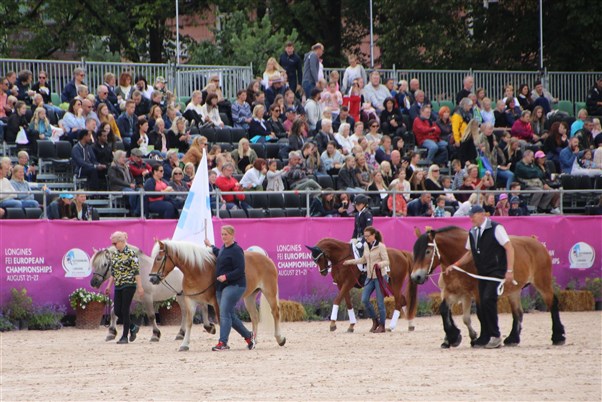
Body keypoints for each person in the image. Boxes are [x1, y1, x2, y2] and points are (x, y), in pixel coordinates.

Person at [446, 205, 515, 349]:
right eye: (470, 216)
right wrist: (456, 264)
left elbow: (509, 247)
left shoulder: (496, 228)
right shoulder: (472, 232)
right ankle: (486, 335)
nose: (471, 218)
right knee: (481, 304)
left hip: (496, 271)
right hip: (482, 273)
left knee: (488, 299)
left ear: (482, 214)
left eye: (473, 215)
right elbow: (470, 253)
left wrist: (509, 270)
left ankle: (495, 335)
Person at [204, 226, 256, 351]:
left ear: (232, 235)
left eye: (226, 234)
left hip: (235, 286)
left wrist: (226, 276)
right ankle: (249, 337)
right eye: (222, 234)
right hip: (221, 287)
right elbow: (218, 253)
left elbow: (240, 270)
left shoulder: (237, 250)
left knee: (224, 313)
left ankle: (223, 342)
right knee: (229, 315)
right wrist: (210, 246)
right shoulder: (223, 248)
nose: (223, 236)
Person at [343, 226, 389, 333]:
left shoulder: (381, 246)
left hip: (380, 277)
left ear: (373, 235)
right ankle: (375, 321)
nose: (366, 238)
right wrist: (349, 262)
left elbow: (387, 261)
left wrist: (379, 264)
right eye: (365, 236)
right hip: (370, 277)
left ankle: (382, 325)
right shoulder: (366, 246)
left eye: (368, 236)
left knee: (380, 302)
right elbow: (363, 259)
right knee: (364, 299)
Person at [104, 231, 144, 344]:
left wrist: (140, 287)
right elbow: (113, 272)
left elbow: (136, 271)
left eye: (115, 243)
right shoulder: (115, 255)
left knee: (124, 310)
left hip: (129, 284)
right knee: (117, 310)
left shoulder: (131, 253)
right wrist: (108, 286)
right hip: (118, 285)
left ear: (122, 242)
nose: (114, 246)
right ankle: (132, 327)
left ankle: (125, 336)